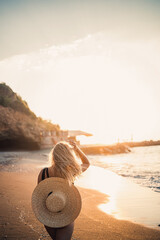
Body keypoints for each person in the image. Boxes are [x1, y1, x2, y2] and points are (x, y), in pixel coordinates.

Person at [37, 140, 90, 240]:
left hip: (48, 214)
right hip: (65, 214)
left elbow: (39, 195)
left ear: (54, 155)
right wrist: (77, 149)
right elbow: (87, 163)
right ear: (68, 155)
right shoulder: (70, 172)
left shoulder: (43, 172)